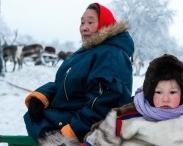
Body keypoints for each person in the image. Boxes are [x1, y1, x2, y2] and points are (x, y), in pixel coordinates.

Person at [23, 2, 134, 145]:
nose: (84, 27)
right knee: (33, 115)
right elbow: (64, 83)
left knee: (36, 120)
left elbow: (105, 101)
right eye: (82, 23)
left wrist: (73, 131)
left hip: (84, 123)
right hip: (69, 114)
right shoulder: (84, 53)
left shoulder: (110, 54)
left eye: (90, 22)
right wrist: (41, 96)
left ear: (105, 24)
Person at [83, 54, 183, 146]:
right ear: (149, 92)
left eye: (172, 92)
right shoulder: (130, 114)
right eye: (158, 92)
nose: (165, 99)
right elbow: (101, 136)